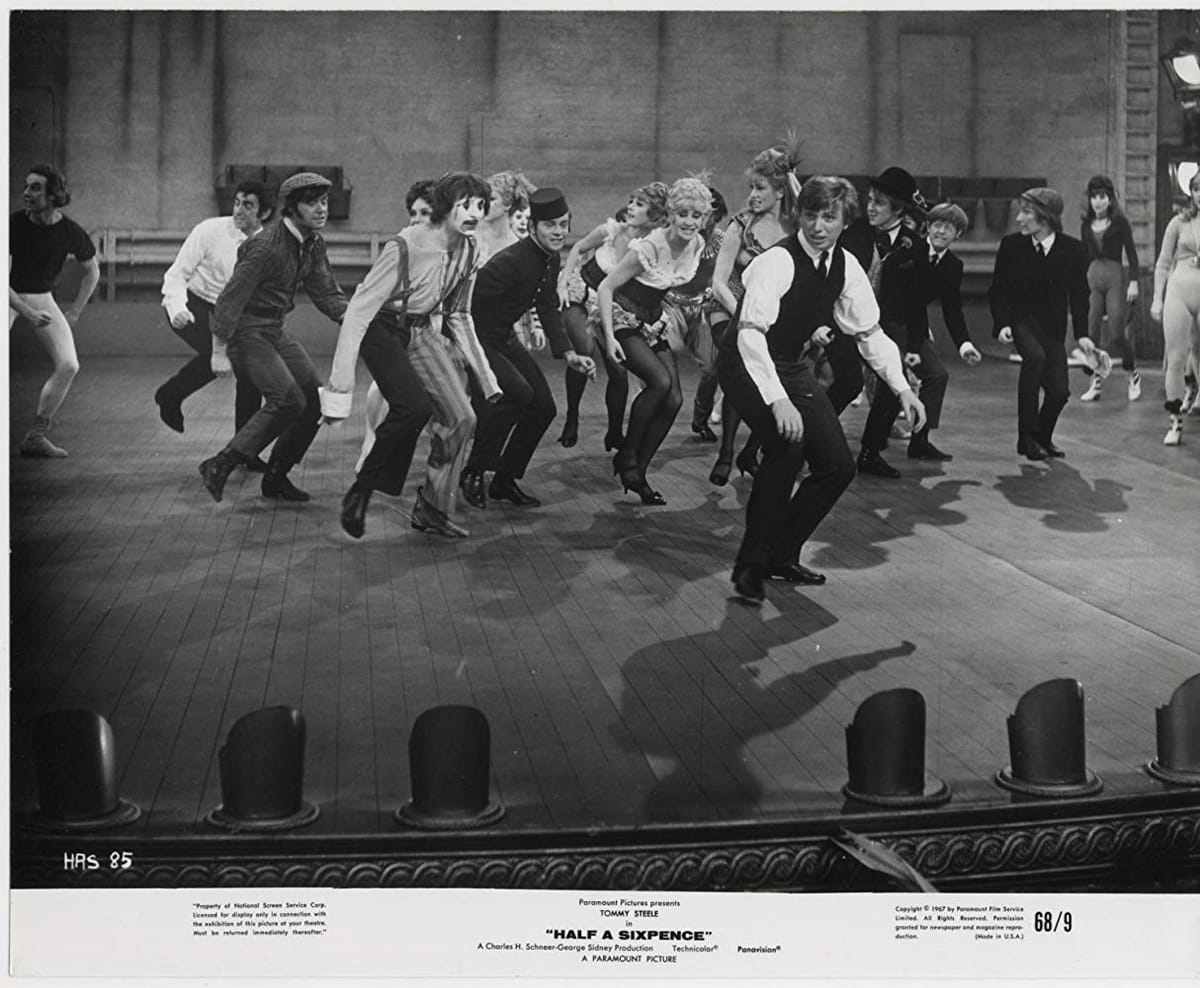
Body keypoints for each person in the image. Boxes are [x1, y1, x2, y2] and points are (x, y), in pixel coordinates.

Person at [717, 175, 925, 603]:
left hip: (789, 363)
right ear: (798, 216)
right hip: (744, 361)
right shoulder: (776, 261)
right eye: (810, 215)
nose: (817, 226)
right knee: (786, 448)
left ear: (844, 221)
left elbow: (869, 332)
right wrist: (778, 401)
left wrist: (902, 388)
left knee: (837, 466)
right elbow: (750, 335)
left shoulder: (845, 265)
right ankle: (750, 567)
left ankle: (780, 555)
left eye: (829, 217)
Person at [321, 172, 502, 540]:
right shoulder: (406, 246)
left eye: (480, 206)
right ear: (444, 206)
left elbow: (459, 313)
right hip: (381, 326)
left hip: (419, 329)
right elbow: (358, 313)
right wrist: (339, 389)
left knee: (462, 418)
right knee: (413, 408)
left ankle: (433, 509)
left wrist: (487, 379)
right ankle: (361, 490)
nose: (474, 213)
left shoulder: (470, 250)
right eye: (465, 205)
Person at [197, 172, 347, 503]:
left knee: (313, 399)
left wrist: (362, 320)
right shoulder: (266, 247)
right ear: (291, 207)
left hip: (274, 329)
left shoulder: (313, 244)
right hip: (245, 331)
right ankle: (221, 463)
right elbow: (229, 300)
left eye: (324, 202)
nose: (321, 209)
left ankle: (276, 477)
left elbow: (327, 294)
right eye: (312, 203)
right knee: (288, 398)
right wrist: (218, 351)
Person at [459, 187, 597, 510]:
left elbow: (547, 305)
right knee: (519, 394)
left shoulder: (550, 258)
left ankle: (504, 480)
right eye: (550, 225)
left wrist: (568, 354)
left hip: (503, 337)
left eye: (563, 224)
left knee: (544, 408)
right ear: (533, 226)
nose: (559, 232)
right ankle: (473, 470)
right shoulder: (508, 262)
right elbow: (467, 308)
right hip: (478, 337)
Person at [599, 176, 713, 505]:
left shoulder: (696, 243)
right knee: (659, 383)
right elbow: (606, 288)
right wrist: (609, 338)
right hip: (622, 317)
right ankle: (627, 457)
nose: (689, 221)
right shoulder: (648, 248)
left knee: (674, 400)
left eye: (696, 215)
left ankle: (638, 471)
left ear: (704, 218)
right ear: (671, 215)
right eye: (682, 214)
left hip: (652, 321)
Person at [154, 181, 272, 462]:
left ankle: (244, 449)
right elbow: (176, 275)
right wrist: (177, 308)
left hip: (229, 312)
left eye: (248, 205)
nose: (238, 210)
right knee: (218, 354)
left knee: (250, 372)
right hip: (190, 304)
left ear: (264, 213)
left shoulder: (267, 247)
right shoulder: (209, 230)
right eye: (237, 202)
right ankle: (171, 394)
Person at [708, 144, 800, 486]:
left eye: (760, 188)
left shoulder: (794, 228)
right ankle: (725, 454)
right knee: (742, 366)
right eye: (751, 187)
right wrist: (743, 317)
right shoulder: (741, 225)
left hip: (768, 317)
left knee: (779, 374)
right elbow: (718, 283)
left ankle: (750, 453)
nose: (752, 195)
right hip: (728, 307)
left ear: (781, 191)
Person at [554, 184, 668, 450]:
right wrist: (562, 281)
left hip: (607, 306)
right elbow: (578, 247)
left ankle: (614, 432)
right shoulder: (611, 230)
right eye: (631, 201)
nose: (631, 207)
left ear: (654, 215)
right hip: (580, 295)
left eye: (639, 204)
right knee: (583, 349)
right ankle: (572, 417)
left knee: (618, 370)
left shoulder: (649, 247)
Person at [989, 187, 1094, 461]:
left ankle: (1041, 438)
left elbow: (1080, 296)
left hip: (1052, 328)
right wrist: (1002, 324)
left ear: (1045, 217)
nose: (1019, 218)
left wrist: (1082, 334)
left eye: (1026, 212)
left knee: (1059, 392)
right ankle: (1026, 437)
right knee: (1034, 359)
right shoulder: (1011, 246)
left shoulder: (1074, 250)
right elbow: (998, 290)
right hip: (1021, 321)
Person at [9, 164, 100, 457]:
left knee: (69, 365)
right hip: (8, 295)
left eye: (35, 187)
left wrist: (75, 311)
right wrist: (27, 313)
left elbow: (92, 271)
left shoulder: (69, 231)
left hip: (41, 297)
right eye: (26, 185)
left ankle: (35, 436)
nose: (26, 192)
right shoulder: (13, 225)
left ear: (53, 195)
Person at [663, 186, 729, 445]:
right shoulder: (676, 236)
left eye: (709, 216)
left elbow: (744, 262)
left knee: (713, 367)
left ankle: (700, 420)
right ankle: (657, 399)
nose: (705, 222)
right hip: (670, 304)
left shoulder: (724, 241)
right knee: (671, 350)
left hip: (701, 308)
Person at [1078, 174, 1141, 403]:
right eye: (1094, 197)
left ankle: (1132, 373)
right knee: (1091, 333)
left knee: (1116, 333)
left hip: (1115, 277)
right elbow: (1083, 257)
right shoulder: (1086, 226)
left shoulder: (1120, 223)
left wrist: (1133, 281)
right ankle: (1095, 382)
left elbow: (1132, 254)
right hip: (1093, 277)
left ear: (1110, 199)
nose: (1098, 202)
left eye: (1102, 197)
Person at [1150, 169, 1200, 446]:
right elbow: (1162, 263)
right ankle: (1175, 422)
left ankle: (1195, 390)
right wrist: (1157, 298)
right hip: (1179, 292)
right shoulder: (1179, 222)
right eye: (1196, 189)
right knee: (1176, 358)